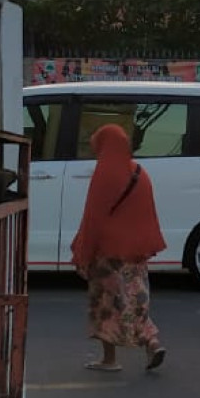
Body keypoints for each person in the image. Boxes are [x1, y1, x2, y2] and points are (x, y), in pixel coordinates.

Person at [73, 125, 167, 373]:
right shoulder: (139, 171)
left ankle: (109, 359)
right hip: (135, 252)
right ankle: (152, 342)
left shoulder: (104, 174)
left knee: (107, 305)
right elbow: (147, 212)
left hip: (108, 254)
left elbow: (93, 218)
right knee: (134, 299)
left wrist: (83, 253)